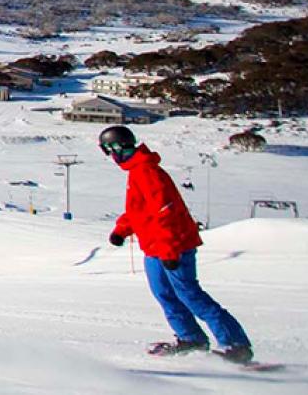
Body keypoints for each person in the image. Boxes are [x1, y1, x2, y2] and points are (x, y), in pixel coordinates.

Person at [100, 125, 253, 364]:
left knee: (191, 295)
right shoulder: (136, 171)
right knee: (165, 294)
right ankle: (190, 337)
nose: (111, 157)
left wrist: (169, 249)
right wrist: (121, 230)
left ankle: (236, 344)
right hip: (153, 247)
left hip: (173, 246)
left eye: (110, 151)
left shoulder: (147, 172)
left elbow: (165, 213)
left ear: (118, 148)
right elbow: (138, 210)